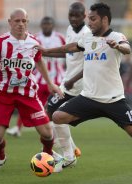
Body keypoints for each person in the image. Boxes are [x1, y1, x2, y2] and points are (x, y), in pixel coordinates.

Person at [37, 2, 132, 180]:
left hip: (114, 100)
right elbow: (70, 48)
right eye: (89, 19)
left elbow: (127, 49)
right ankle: (68, 157)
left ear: (104, 19)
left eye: (93, 19)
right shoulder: (87, 38)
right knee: (57, 116)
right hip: (88, 98)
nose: (89, 23)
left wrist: (117, 46)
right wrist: (45, 52)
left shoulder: (117, 36)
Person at [0, 8, 64, 172]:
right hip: (3, 94)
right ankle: (0, 158)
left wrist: (51, 83)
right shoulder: (0, 41)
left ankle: (46, 157)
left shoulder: (34, 42)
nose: (20, 24)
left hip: (28, 94)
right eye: (17, 21)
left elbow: (39, 62)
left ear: (27, 23)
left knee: (47, 132)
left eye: (23, 21)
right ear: (10, 22)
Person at [42, 2, 91, 170]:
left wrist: (73, 80)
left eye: (77, 16)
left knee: (55, 116)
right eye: (71, 15)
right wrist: (44, 52)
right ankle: (71, 151)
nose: (74, 19)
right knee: (47, 114)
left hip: (78, 87)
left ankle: (68, 156)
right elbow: (66, 51)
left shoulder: (87, 34)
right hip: (66, 83)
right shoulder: (70, 30)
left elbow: (91, 64)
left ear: (84, 16)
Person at [7, 16, 66, 137]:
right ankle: (18, 128)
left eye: (49, 24)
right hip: (38, 79)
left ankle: (53, 132)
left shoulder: (60, 38)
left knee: (54, 107)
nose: (46, 26)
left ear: (52, 25)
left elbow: (68, 53)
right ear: (41, 25)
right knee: (29, 104)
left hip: (57, 80)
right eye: (44, 24)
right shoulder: (35, 38)